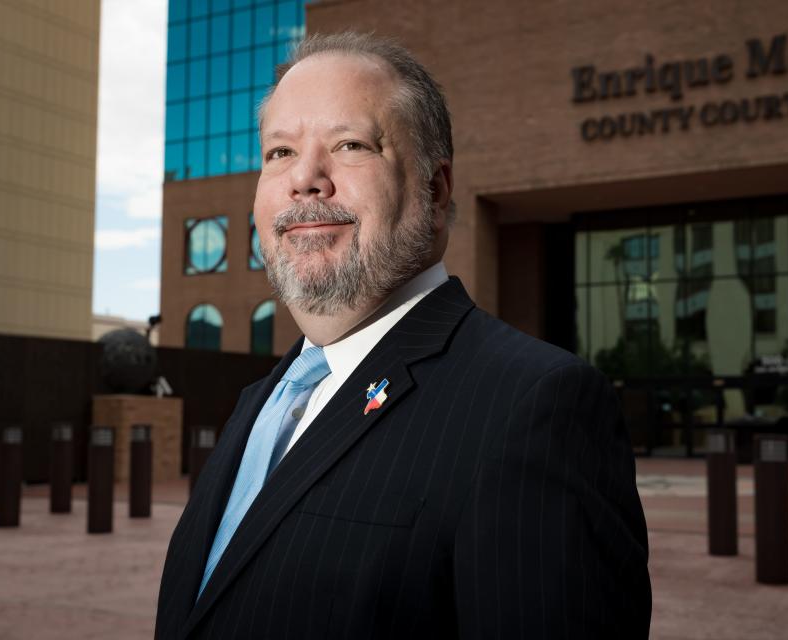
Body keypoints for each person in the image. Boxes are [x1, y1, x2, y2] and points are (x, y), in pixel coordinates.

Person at [155, 31, 650, 639]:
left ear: (436, 192)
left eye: (351, 144)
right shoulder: (261, 402)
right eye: (279, 152)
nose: (305, 179)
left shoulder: (534, 405)